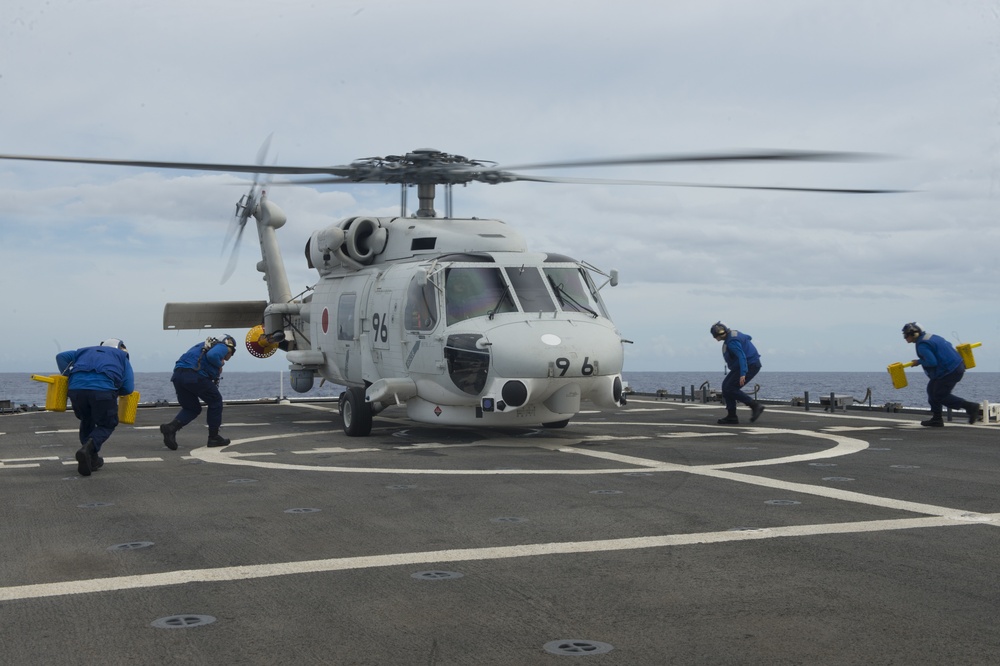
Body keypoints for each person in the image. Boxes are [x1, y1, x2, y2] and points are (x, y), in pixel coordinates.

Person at [56, 339, 135, 476]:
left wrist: (69, 375)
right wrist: (115, 391)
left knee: (87, 420)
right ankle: (88, 449)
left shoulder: (83, 351)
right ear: (120, 347)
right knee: (108, 424)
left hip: (76, 390)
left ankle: (91, 459)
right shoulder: (121, 356)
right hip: (103, 391)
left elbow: (61, 357)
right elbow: (128, 388)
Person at [159, 335, 237, 449]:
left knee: (192, 408)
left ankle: (171, 428)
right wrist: (220, 365)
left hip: (178, 375)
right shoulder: (223, 346)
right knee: (216, 401)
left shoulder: (201, 346)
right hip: (194, 375)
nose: (227, 357)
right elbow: (213, 355)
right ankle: (213, 437)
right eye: (231, 352)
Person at [902, 323, 980, 426]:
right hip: (955, 366)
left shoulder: (922, 345)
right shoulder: (932, 337)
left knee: (940, 395)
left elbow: (932, 362)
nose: (905, 338)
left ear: (914, 334)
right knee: (931, 390)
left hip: (949, 370)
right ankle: (937, 419)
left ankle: (970, 406)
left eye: (906, 335)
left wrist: (918, 362)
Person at [710, 322, 765, 425]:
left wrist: (743, 373)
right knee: (726, 386)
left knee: (730, 388)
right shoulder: (735, 334)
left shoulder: (731, 342)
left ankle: (754, 405)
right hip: (748, 365)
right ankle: (732, 416)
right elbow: (749, 337)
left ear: (716, 336)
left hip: (749, 366)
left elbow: (741, 356)